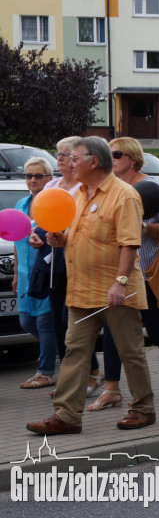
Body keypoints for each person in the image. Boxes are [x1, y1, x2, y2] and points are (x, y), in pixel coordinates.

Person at [27, 137, 156, 435]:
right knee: (74, 351)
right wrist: (61, 239)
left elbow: (129, 244)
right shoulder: (79, 194)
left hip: (115, 291)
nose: (69, 163)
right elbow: (78, 234)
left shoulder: (124, 195)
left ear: (93, 161)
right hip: (82, 290)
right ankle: (67, 416)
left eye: (75, 158)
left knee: (130, 351)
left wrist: (121, 283)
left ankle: (143, 409)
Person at [89, 137, 159, 410]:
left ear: (133, 159)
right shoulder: (107, 188)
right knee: (112, 326)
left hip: (145, 269)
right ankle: (112, 388)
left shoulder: (153, 187)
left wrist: (142, 227)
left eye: (117, 154)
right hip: (113, 269)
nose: (110, 158)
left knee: (156, 327)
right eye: (108, 153)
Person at [37, 137, 101, 396]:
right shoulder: (52, 184)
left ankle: (91, 372)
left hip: (75, 261)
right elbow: (40, 217)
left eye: (67, 154)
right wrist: (36, 234)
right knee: (58, 322)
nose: (61, 158)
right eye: (58, 153)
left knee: (72, 323)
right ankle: (72, 377)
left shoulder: (84, 188)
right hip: (51, 260)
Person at [13, 158, 54, 389]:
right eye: (29, 176)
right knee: (26, 321)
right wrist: (18, 275)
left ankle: (46, 371)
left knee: (45, 321)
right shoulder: (20, 204)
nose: (32, 180)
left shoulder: (52, 203)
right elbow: (17, 241)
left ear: (49, 178)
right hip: (26, 274)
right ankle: (56, 350)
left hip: (45, 271)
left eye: (38, 176)